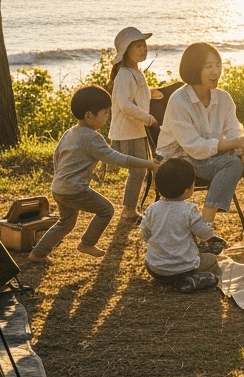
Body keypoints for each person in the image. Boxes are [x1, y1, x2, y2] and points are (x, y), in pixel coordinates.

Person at [155, 42, 244, 244]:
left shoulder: (223, 98)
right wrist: (234, 145)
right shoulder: (179, 101)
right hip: (178, 158)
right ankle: (206, 226)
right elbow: (194, 146)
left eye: (218, 65)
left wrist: (243, 148)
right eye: (208, 66)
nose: (216, 71)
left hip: (210, 155)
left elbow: (233, 130)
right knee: (233, 163)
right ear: (194, 68)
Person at [28, 85, 160, 263]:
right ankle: (87, 243)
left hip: (58, 187)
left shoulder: (70, 132)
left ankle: (38, 253)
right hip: (74, 190)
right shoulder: (93, 138)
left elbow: (57, 156)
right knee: (106, 210)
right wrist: (149, 164)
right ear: (89, 115)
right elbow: (118, 159)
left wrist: (61, 176)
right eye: (105, 113)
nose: (108, 117)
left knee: (65, 222)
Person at [140, 157, 224, 293]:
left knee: (153, 261)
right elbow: (204, 232)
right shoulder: (189, 210)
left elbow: (145, 232)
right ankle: (190, 279)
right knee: (212, 260)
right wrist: (211, 235)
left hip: (155, 268)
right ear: (187, 190)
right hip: (183, 268)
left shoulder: (152, 209)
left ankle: (170, 278)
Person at [107, 26, 161, 222]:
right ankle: (128, 210)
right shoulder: (124, 75)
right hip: (129, 130)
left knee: (140, 169)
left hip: (137, 129)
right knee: (138, 170)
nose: (143, 49)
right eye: (138, 46)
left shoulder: (134, 72)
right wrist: (148, 118)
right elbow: (125, 105)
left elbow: (134, 95)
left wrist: (151, 93)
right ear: (126, 50)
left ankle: (130, 208)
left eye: (144, 45)